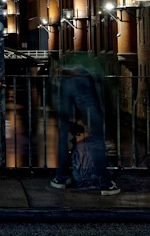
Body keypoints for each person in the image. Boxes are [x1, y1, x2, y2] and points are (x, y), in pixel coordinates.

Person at [51, 52, 120, 196]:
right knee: (96, 136)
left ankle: (59, 178)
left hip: (66, 79)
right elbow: (105, 92)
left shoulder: (68, 58)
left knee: (63, 134)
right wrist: (108, 115)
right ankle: (105, 184)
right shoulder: (94, 62)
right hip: (85, 80)